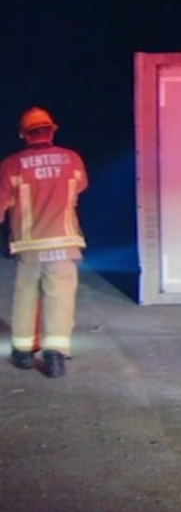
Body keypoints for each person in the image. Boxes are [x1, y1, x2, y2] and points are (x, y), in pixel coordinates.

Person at [2, 107, 90, 378]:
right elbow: (80, 187)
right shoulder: (72, 159)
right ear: (51, 131)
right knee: (59, 296)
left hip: (29, 245)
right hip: (64, 242)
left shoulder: (12, 164)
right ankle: (55, 357)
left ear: (24, 135)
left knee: (26, 296)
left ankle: (23, 352)